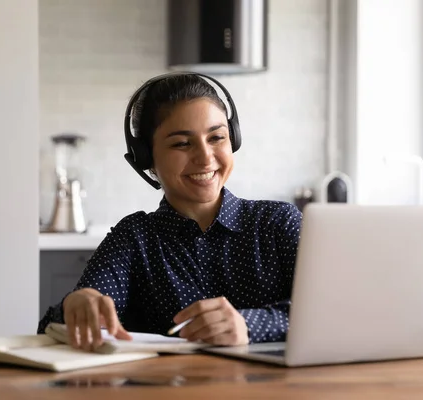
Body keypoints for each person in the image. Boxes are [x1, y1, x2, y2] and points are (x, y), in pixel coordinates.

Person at [37, 73, 302, 351]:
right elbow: (54, 327)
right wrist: (76, 306)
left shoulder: (278, 223)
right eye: (181, 143)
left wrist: (249, 324)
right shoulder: (134, 239)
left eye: (217, 137)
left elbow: (337, 310)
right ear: (147, 159)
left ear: (233, 139)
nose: (205, 157)